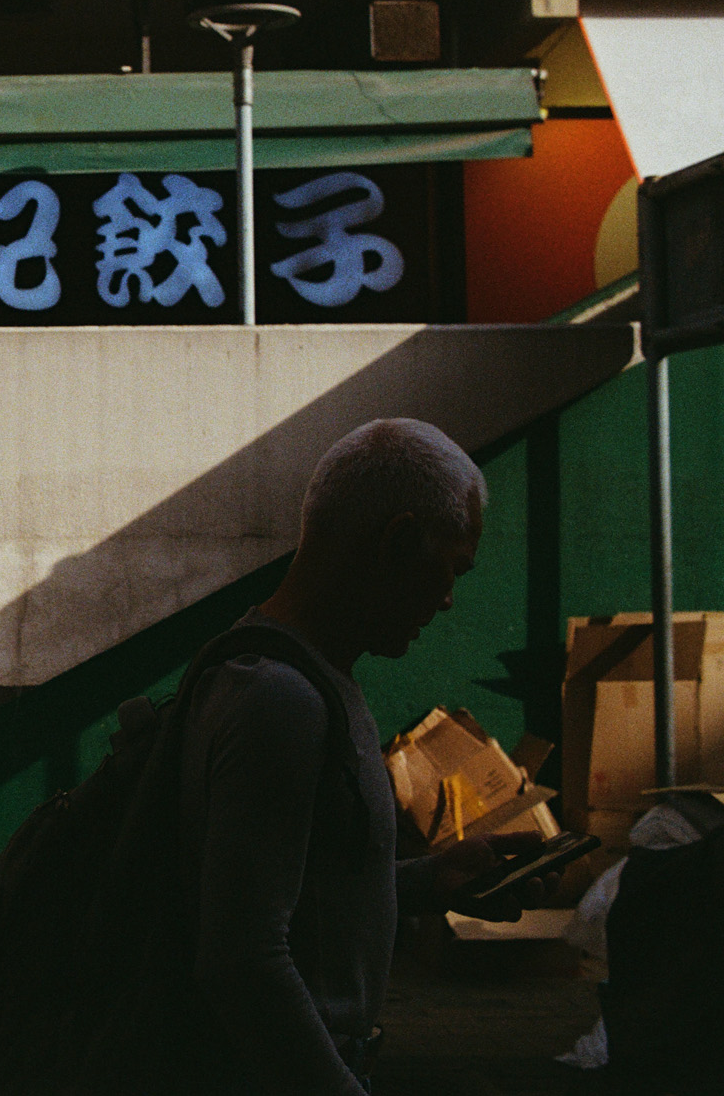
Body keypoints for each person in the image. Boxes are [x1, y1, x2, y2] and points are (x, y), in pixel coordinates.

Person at [175, 418, 550, 1094]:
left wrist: (432, 881)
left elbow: (296, 888)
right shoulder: (279, 700)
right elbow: (243, 960)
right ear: (398, 541)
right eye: (448, 570)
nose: (447, 601)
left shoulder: (301, 676)